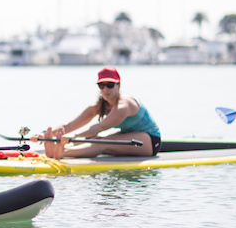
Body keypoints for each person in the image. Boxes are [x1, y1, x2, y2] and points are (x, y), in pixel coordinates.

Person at [32, 67, 161, 159]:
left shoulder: (124, 105)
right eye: (101, 85)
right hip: (130, 136)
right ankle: (59, 150)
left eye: (110, 85)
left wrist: (73, 137)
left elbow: (99, 127)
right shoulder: (99, 105)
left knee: (101, 142)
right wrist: (43, 134)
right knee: (96, 139)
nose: (105, 89)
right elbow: (69, 125)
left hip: (149, 140)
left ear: (118, 85)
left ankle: (62, 153)